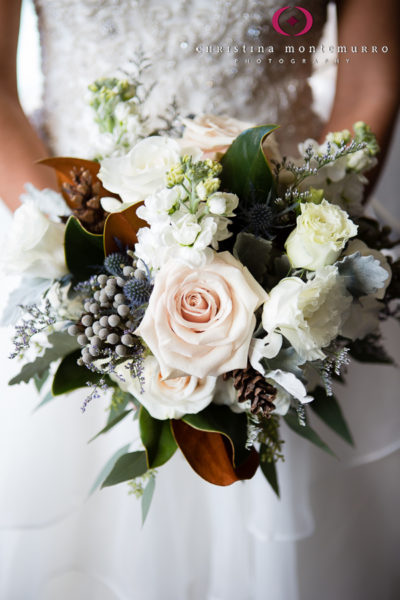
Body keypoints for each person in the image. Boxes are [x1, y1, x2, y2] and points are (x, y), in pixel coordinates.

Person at [0, 1, 399, 598]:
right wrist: (78, 253)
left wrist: (296, 253)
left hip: (287, 256)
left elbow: (370, 81)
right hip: (77, 254)